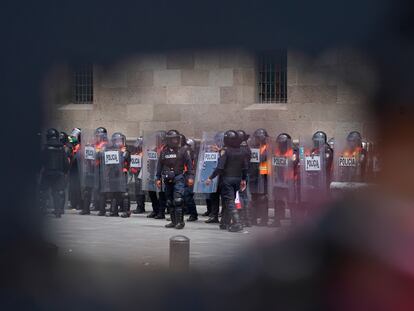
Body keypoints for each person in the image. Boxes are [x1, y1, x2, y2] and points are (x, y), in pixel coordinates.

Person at [206, 130, 248, 232]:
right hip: (237, 179)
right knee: (229, 200)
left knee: (229, 201)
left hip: (227, 179)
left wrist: (210, 177)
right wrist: (243, 179)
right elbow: (245, 167)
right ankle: (225, 222)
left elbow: (220, 168)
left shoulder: (227, 152)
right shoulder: (242, 151)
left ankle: (237, 223)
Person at [156, 130, 194, 229]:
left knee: (178, 200)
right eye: (173, 138)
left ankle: (180, 222)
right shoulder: (164, 151)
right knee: (169, 201)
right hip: (167, 179)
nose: (175, 140)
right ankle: (173, 221)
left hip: (178, 177)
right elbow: (160, 165)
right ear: (168, 140)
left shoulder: (183, 150)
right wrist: (158, 178)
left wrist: (190, 177)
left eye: (176, 138)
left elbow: (189, 164)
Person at [39, 128, 70, 218]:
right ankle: (58, 211)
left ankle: (43, 210)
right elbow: (65, 163)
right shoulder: (61, 147)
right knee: (57, 192)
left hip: (47, 173)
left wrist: (39, 170)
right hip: (58, 174)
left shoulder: (45, 147)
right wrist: (64, 172)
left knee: (43, 192)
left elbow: (41, 160)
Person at [100, 132, 131, 217]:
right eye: (116, 141)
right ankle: (114, 211)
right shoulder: (110, 150)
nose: (118, 142)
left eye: (119, 141)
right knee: (114, 192)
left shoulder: (125, 151)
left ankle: (126, 211)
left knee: (124, 193)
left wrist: (122, 153)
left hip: (122, 173)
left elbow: (124, 160)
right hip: (112, 174)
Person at [248, 128, 269, 226]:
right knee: (254, 198)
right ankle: (253, 218)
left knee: (262, 198)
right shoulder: (253, 148)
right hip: (253, 175)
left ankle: (264, 219)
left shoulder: (268, 148)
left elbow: (268, 163)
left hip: (264, 177)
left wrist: (263, 171)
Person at [236, 130, 252, 227]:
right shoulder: (246, 148)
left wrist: (242, 178)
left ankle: (242, 219)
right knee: (244, 196)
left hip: (241, 175)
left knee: (241, 197)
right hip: (244, 174)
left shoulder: (241, 149)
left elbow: (244, 165)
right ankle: (247, 220)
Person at [130, 136, 146, 214]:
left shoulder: (145, 152)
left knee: (141, 190)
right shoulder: (135, 152)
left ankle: (141, 207)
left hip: (143, 173)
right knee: (138, 190)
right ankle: (139, 206)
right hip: (136, 173)